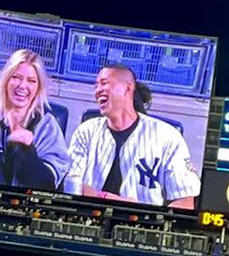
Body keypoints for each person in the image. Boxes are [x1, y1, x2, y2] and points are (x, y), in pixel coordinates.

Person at [66, 64, 201, 208]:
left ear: (127, 88)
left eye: (104, 83)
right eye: (96, 85)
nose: (98, 90)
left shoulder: (167, 137)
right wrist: (108, 199)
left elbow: (184, 200)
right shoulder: (86, 131)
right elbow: (70, 185)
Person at [0, 49, 69, 191]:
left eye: (31, 81)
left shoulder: (48, 125)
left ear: (38, 88)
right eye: (16, 77)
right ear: (6, 80)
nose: (22, 86)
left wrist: (27, 149)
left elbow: (45, 185)